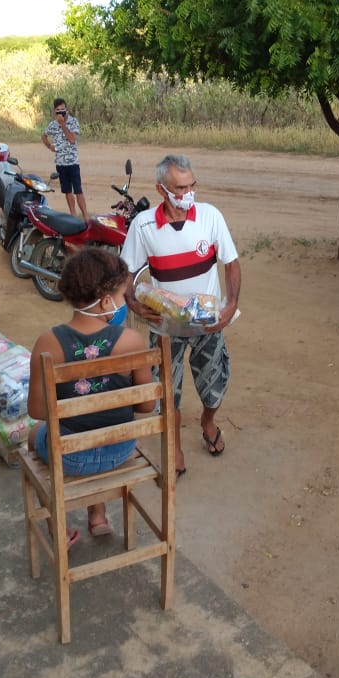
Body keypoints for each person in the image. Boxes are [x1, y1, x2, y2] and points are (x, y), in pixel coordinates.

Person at [121, 154, 241, 477]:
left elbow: (231, 262)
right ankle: (173, 445)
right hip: (165, 327)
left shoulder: (210, 216)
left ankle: (208, 420)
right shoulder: (143, 225)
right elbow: (126, 272)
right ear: (161, 189)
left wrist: (230, 304)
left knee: (215, 385)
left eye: (192, 186)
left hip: (207, 324)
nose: (188, 194)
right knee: (166, 391)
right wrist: (133, 303)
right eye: (180, 188)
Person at [26, 248, 154, 541]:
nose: (123, 304)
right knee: (99, 427)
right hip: (120, 451)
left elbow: (37, 411)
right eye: (121, 297)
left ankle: (56, 528)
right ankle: (97, 516)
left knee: (35, 435)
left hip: (69, 457)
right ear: (106, 301)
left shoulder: (47, 343)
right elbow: (147, 406)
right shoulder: (132, 341)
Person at [41, 98, 88, 221]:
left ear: (66, 109)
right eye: (58, 110)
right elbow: (44, 136)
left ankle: (85, 217)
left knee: (78, 190)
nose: (61, 112)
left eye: (62, 110)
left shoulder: (73, 121)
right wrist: (49, 146)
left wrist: (63, 124)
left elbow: (72, 139)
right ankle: (73, 215)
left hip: (72, 162)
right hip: (60, 163)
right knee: (67, 191)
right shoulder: (52, 124)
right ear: (54, 111)